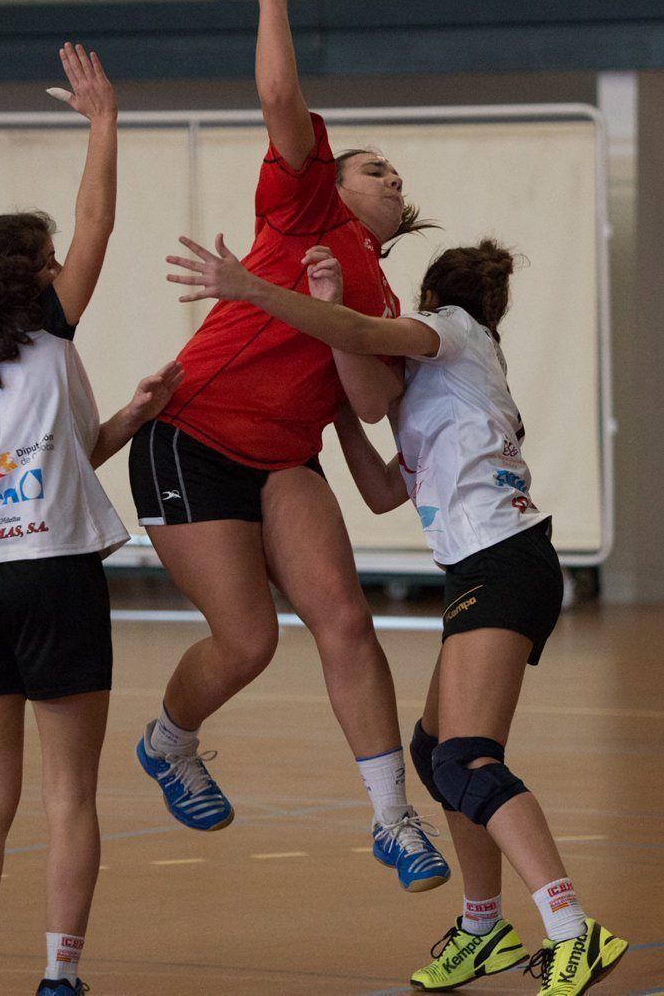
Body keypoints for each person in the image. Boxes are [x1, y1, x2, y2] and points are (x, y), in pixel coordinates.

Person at [164, 231, 629, 996]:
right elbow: (384, 491)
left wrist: (272, 294)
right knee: (434, 748)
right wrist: (334, 407)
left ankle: (574, 931)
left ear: (431, 301)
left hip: (502, 564)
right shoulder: (445, 390)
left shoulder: (450, 331)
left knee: (468, 758)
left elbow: (360, 332)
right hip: (489, 568)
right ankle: (482, 930)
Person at [128, 0, 450, 892]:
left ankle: (393, 818)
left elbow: (367, 403)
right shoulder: (302, 212)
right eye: (372, 168)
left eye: (396, 176)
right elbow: (279, 101)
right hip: (190, 435)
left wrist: (347, 327)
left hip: (283, 460)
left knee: (347, 622)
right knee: (251, 640)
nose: (390, 179)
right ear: (332, 181)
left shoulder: (388, 310)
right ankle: (167, 740)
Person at [0, 44, 183, 996]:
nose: (60, 264)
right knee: (69, 790)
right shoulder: (46, 326)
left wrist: (131, 416)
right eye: (46, 261)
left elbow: (59, 464)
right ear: (28, 279)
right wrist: (104, 122)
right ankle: (59, 977)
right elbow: (99, 223)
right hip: (50, 570)